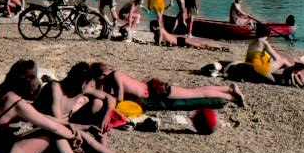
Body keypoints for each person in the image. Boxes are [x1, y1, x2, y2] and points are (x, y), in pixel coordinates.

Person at [0, 60, 99, 153]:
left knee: (51, 130)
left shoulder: (5, 96)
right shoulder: (17, 104)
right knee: (52, 133)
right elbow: (53, 127)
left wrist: (66, 124)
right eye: (35, 77)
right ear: (27, 80)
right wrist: (73, 135)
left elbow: (41, 117)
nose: (38, 81)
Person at [33, 62, 142, 153]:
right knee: (81, 134)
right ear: (82, 83)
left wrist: (105, 118)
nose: (90, 87)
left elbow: (109, 98)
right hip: (50, 132)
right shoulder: (55, 89)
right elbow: (57, 124)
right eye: (89, 85)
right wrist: (86, 128)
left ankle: (104, 150)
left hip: (67, 126)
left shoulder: (79, 88)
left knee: (98, 103)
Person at [89, 62, 245, 110]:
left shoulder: (115, 76)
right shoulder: (114, 75)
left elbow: (120, 99)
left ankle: (230, 94)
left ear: (101, 76)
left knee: (196, 93)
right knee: (195, 92)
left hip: (157, 91)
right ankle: (228, 90)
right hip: (154, 89)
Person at [150, 19, 227, 51]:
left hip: (180, 41)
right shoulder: (159, 31)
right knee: (200, 44)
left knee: (200, 45)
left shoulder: (160, 30)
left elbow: (159, 43)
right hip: (179, 40)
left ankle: (219, 47)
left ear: (155, 27)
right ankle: (219, 47)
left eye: (151, 26)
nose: (150, 28)